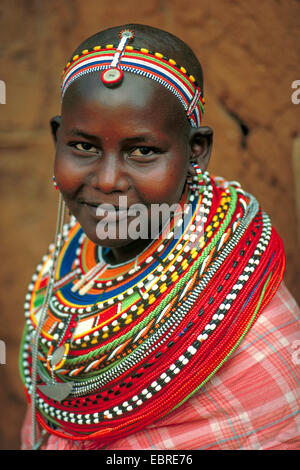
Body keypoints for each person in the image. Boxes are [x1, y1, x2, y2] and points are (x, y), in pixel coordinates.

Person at [19, 23, 300, 450]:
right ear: (58, 138)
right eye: (84, 147)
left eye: (143, 151)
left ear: (196, 151)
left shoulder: (253, 333)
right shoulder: (76, 265)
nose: (109, 180)